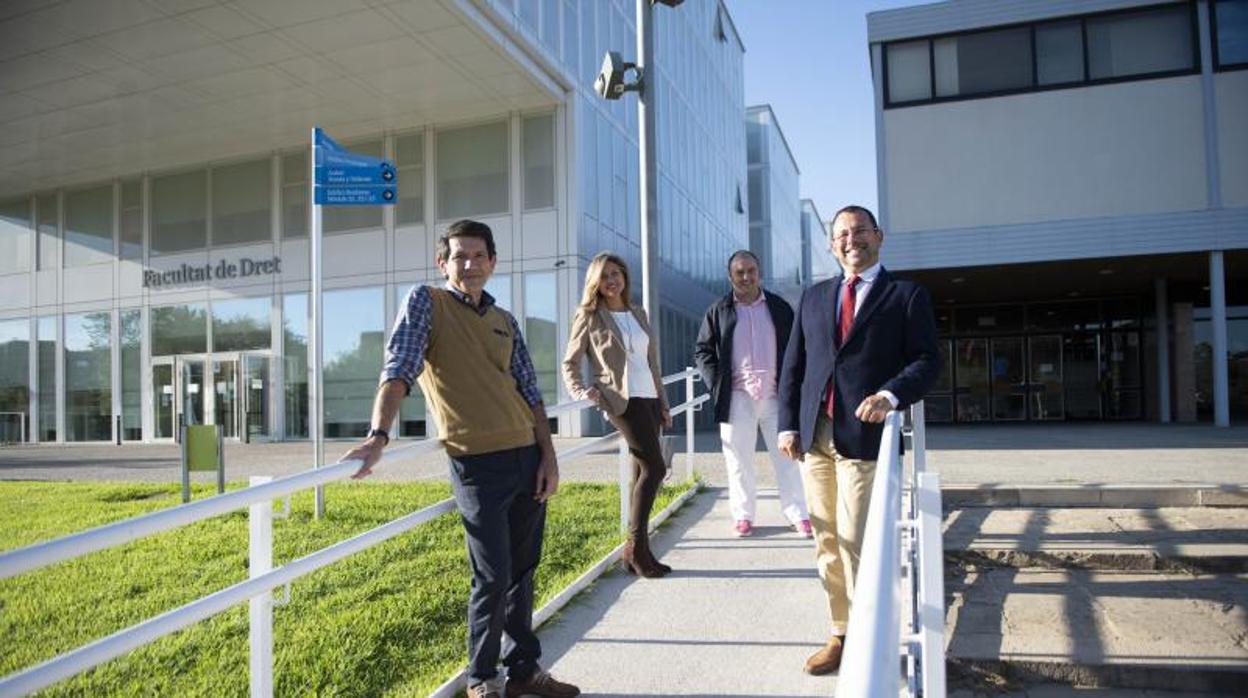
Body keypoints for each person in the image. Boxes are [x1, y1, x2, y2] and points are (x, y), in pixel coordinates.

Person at [340, 220, 579, 698]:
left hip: (526, 453)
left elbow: (530, 392)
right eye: (459, 256)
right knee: (492, 576)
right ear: (442, 262)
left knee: (524, 571)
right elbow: (399, 368)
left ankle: (524, 672)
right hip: (476, 462)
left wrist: (549, 457)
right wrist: (378, 435)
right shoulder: (427, 303)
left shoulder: (504, 320)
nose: (469, 264)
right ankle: (481, 679)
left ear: (493, 262)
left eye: (478, 256)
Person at [777, 205, 940, 676]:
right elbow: (795, 367)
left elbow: (927, 361)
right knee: (826, 540)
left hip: (864, 437)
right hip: (815, 437)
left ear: (879, 236)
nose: (852, 240)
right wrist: (788, 424)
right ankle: (842, 631)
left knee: (858, 541)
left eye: (860, 231)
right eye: (842, 234)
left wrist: (891, 395)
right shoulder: (814, 296)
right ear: (832, 245)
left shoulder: (906, 296)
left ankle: (874, 636)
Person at [561, 252, 673, 578]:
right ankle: (638, 549)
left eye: (616, 274)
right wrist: (582, 392)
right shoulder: (589, 315)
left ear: (624, 277)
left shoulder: (639, 313)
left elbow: (652, 363)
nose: (612, 281)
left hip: (650, 399)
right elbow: (570, 362)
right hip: (622, 402)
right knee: (655, 469)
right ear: (596, 282)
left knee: (640, 474)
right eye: (605, 276)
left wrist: (663, 404)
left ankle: (635, 553)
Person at [694, 250, 809, 538]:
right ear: (730, 275)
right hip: (736, 398)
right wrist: (715, 383)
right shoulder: (718, 310)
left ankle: (798, 513)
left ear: (759, 271)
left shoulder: (780, 308)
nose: (746, 277)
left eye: (751, 271)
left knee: (788, 458)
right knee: (738, 461)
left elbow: (797, 347)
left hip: (775, 397)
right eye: (739, 272)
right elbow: (703, 351)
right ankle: (743, 516)